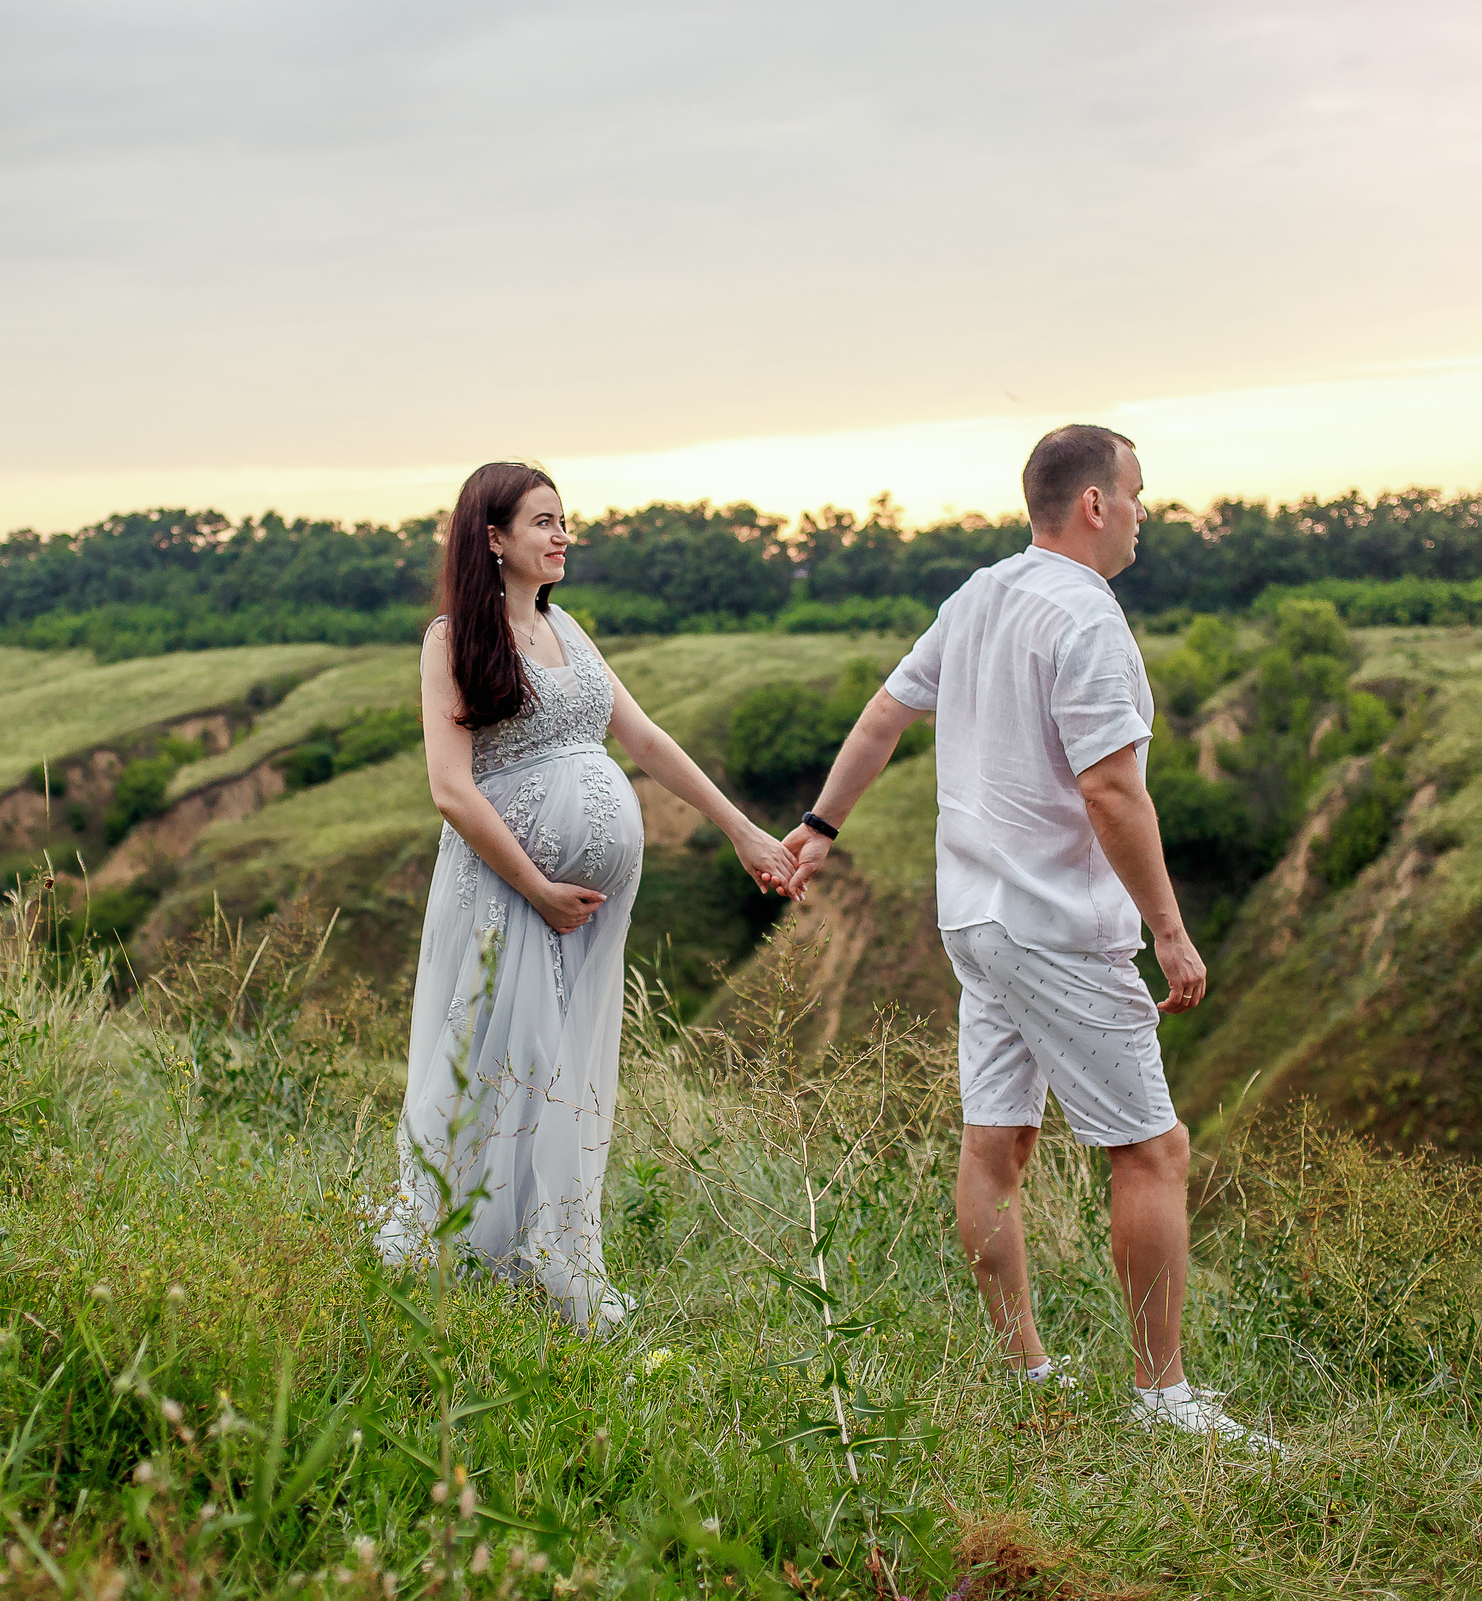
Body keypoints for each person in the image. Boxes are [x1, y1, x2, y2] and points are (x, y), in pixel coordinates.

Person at [782, 425, 1273, 1447]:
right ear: (1094, 504)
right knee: (1152, 1150)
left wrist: (822, 826)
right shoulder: (1087, 619)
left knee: (996, 1140)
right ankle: (1161, 1399)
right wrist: (1169, 933)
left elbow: (882, 714)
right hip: (1055, 923)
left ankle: (1024, 1374)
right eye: (1136, 494)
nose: (1143, 513)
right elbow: (1109, 787)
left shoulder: (978, 594)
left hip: (973, 916)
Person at [375, 461, 795, 1333]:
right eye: (542, 521)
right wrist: (535, 887)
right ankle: (465, 1249)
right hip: (508, 892)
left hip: (583, 911)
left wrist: (740, 829)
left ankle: (552, 1247)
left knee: (563, 1058)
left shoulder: (571, 630)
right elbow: (452, 791)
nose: (561, 535)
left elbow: (641, 736)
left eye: (564, 521)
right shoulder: (451, 639)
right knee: (497, 1054)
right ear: (493, 537)